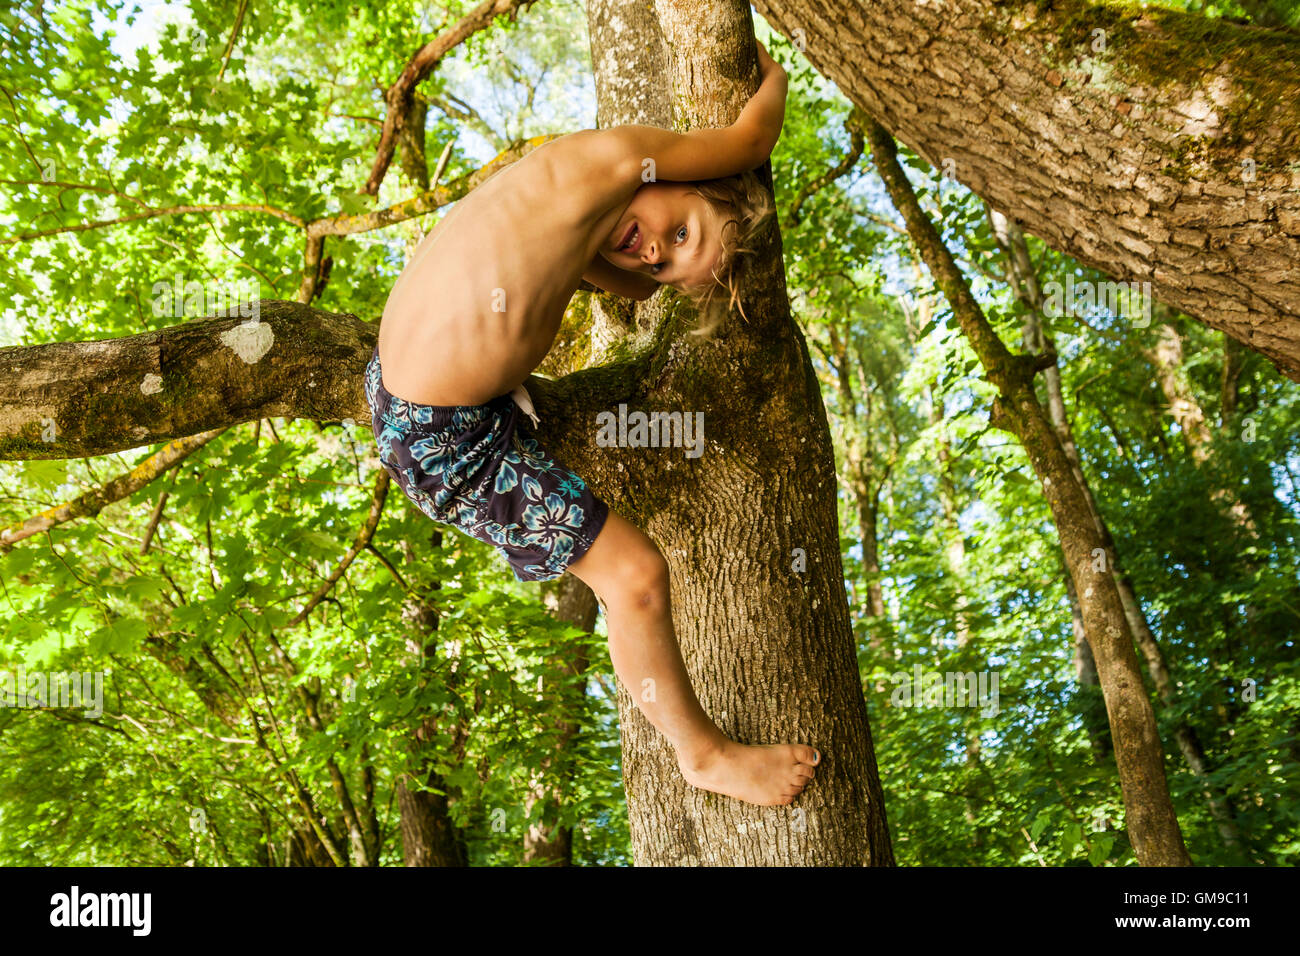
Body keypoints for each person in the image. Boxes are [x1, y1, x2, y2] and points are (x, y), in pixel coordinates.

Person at [366, 41, 820, 805]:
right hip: (442, 437)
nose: (651, 251)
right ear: (677, 173)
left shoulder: (582, 197)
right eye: (677, 229)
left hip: (418, 398)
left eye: (666, 260)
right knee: (634, 575)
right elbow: (750, 141)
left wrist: (674, 266)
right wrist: (775, 72)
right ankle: (700, 754)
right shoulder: (618, 158)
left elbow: (631, 290)